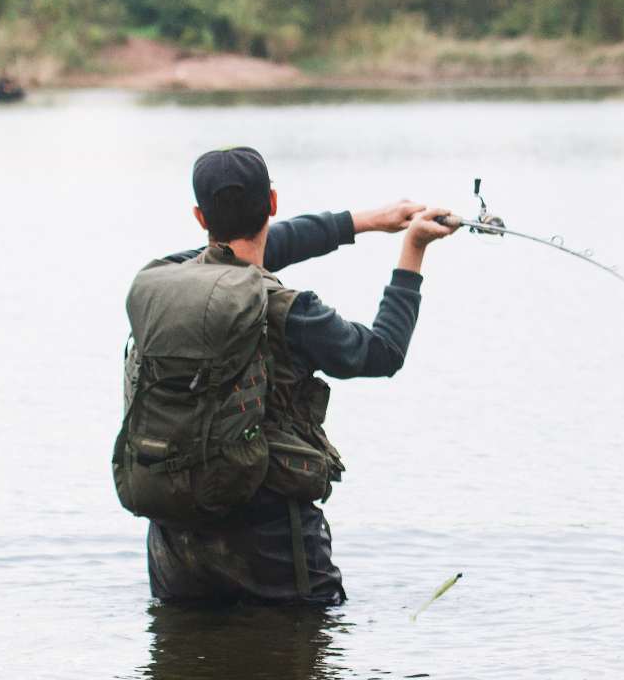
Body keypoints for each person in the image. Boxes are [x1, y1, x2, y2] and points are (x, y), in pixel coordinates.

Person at [121, 146, 456, 605]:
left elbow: (245, 256)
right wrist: (412, 249)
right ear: (273, 204)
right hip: (274, 539)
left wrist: (365, 220)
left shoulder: (161, 281)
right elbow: (382, 353)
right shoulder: (289, 310)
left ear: (201, 217)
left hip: (175, 537)